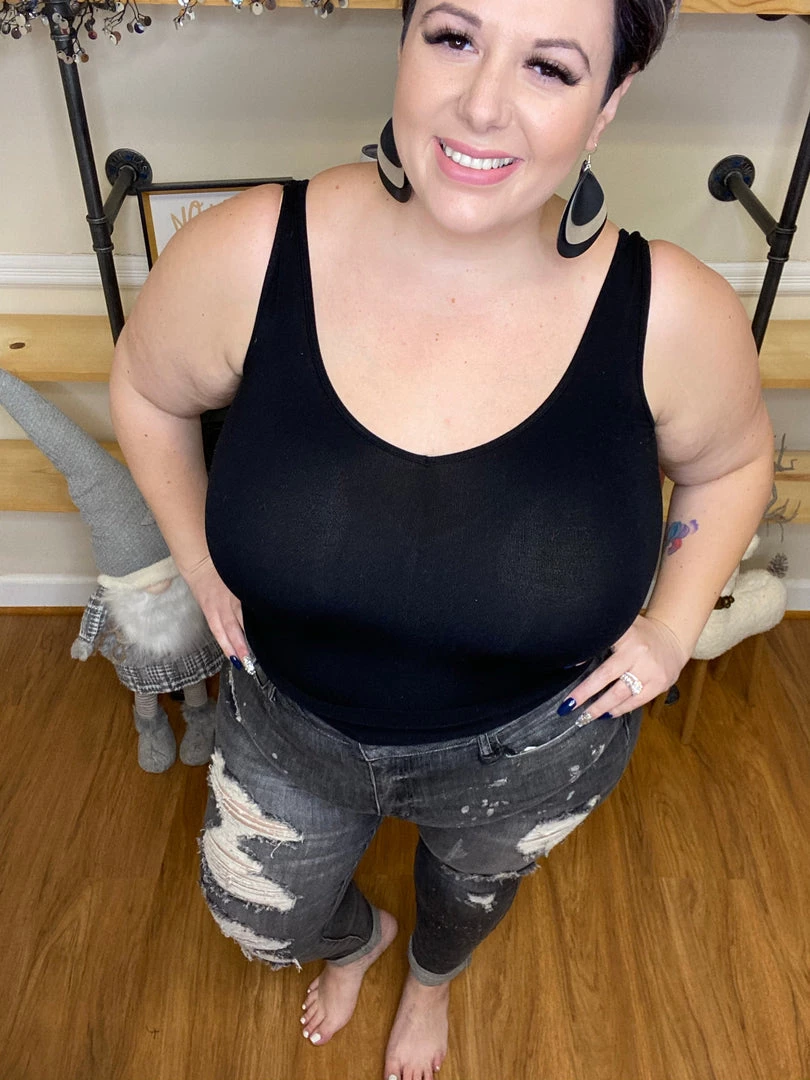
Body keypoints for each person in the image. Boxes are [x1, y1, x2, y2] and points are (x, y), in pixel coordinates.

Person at [109, 0, 774, 1076]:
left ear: (608, 104)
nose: (481, 105)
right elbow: (146, 388)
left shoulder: (671, 313)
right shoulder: (248, 251)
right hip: (288, 724)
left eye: (551, 67)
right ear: (407, 42)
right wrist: (197, 558)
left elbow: (734, 463)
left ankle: (429, 977)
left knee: (468, 898)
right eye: (455, 38)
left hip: (533, 749)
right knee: (259, 922)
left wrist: (672, 627)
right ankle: (359, 941)